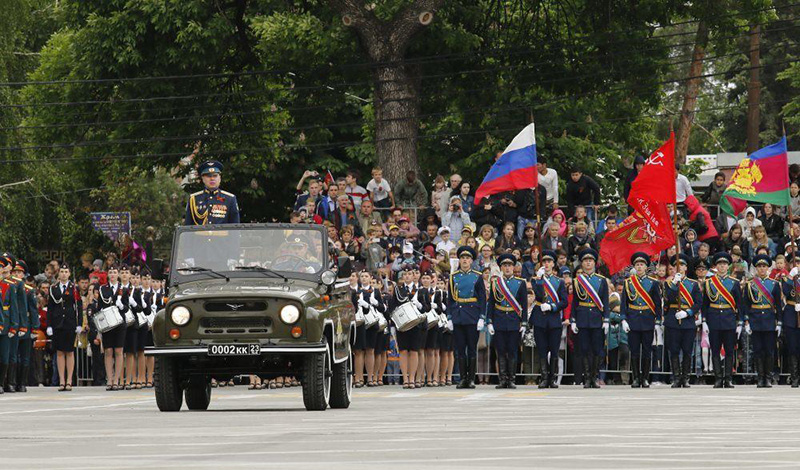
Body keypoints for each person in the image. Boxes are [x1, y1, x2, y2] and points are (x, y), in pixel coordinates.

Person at [621, 252, 662, 388]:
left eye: (642, 265)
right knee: (634, 351)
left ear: (646, 267)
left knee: (646, 351)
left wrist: (657, 322)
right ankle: (636, 378)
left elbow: (657, 303)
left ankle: (645, 378)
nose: (639, 267)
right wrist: (623, 319)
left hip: (647, 319)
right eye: (637, 265)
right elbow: (624, 303)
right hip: (633, 319)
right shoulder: (628, 283)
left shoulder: (653, 283)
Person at [570, 249, 609, 388]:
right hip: (582, 317)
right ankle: (587, 378)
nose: (588, 263)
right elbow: (574, 302)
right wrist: (573, 319)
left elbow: (605, 301)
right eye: (585, 260)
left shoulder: (601, 280)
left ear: (594, 263)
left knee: (597, 349)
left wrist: (606, 319)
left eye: (590, 260)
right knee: (584, 349)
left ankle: (595, 376)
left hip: (597, 318)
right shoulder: (577, 281)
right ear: (582, 263)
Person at [447, 246, 486, 389]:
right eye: (462, 258)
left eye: (467, 258)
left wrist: (482, 317)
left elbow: (482, 298)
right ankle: (462, 378)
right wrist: (449, 317)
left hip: (472, 315)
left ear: (471, 260)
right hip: (458, 315)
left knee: (471, 348)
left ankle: (470, 379)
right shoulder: (453, 277)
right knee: (459, 349)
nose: (464, 260)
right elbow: (450, 299)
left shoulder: (477, 276)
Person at [486, 254, 527, 389]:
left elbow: (524, 304)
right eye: (505, 265)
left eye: (510, 265)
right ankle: (503, 379)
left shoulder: (520, 283)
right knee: (501, 351)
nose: (508, 268)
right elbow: (491, 303)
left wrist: (524, 322)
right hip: (499, 319)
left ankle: (511, 379)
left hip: (514, 320)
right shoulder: (496, 283)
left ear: (513, 267)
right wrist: (490, 321)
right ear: (501, 267)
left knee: (513, 351)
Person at [702, 252, 742, 388]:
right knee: (715, 349)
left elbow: (739, 304)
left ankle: (728, 378)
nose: (722, 266)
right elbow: (705, 304)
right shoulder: (709, 282)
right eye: (720, 264)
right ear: (716, 266)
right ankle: (718, 378)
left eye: (724, 264)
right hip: (713, 318)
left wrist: (740, 322)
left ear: (728, 266)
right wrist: (704, 320)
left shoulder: (734, 283)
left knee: (730, 350)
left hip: (729, 318)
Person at [529, 250, 568, 388]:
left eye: (549, 262)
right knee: (542, 349)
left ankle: (552, 378)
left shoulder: (559, 281)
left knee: (554, 350)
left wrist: (552, 307)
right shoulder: (536, 280)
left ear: (553, 264)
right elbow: (539, 296)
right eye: (544, 262)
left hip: (553, 319)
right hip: (540, 318)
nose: (546, 264)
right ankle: (544, 378)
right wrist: (539, 281)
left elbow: (564, 302)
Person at [743, 254, 782, 388]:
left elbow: (778, 304)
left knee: (769, 350)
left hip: (769, 320)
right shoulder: (750, 284)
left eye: (764, 266)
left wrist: (779, 323)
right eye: (759, 266)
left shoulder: (775, 284)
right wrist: (747, 321)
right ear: (756, 268)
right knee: (758, 350)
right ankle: (760, 377)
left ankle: (768, 377)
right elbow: (746, 304)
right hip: (755, 319)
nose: (762, 269)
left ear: (768, 268)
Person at [664, 254, 701, 388]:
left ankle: (685, 378)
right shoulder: (669, 283)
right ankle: (676, 378)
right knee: (673, 350)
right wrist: (674, 284)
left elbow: (698, 303)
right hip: (673, 319)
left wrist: (688, 312)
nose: (679, 268)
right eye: (676, 266)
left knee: (687, 350)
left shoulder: (693, 284)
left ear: (686, 267)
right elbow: (668, 299)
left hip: (687, 320)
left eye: (682, 265)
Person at [47, 263, 82, 392]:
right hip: (57, 323)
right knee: (60, 352)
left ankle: (69, 380)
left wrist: (79, 323)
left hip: (69, 322)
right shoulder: (53, 288)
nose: (63, 274)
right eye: (62, 271)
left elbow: (78, 306)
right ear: (59, 273)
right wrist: (49, 325)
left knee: (70, 352)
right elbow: (50, 308)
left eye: (66, 271)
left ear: (69, 274)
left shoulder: (74, 288)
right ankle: (62, 381)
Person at [184, 160, 240, 225]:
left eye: (215, 176)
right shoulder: (193, 199)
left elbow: (235, 226)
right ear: (203, 178)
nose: (212, 179)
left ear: (220, 178)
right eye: (208, 176)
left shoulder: (230, 199)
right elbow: (188, 225)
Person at [12, 260, 38, 392]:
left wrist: (35, 328)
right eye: (15, 272)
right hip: (13, 325)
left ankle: (22, 383)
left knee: (25, 356)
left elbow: (33, 310)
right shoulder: (9, 287)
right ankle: (12, 381)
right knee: (13, 356)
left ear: (24, 274)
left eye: (19, 272)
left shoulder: (28, 290)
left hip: (26, 326)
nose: (17, 274)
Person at [782, 254, 800, 387]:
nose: (797, 265)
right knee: (792, 347)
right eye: (794, 263)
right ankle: (794, 377)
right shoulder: (786, 279)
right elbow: (786, 292)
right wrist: (790, 277)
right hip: (791, 314)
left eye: (799, 263)